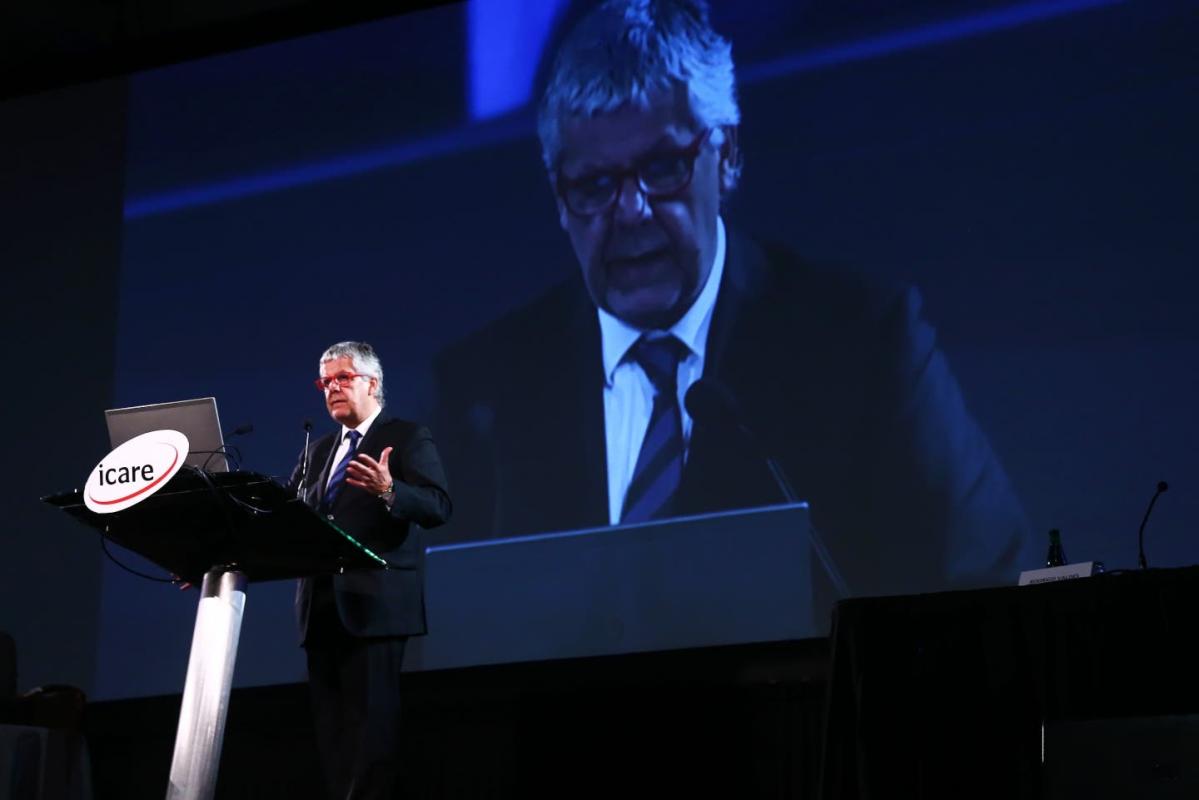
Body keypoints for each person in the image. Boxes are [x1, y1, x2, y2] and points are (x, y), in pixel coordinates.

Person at [433, 0, 1034, 597]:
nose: (632, 211)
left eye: (662, 168)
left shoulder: (864, 344)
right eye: (594, 184)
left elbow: (990, 585)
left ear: (727, 156)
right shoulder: (481, 391)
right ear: (560, 199)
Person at [291, 341, 451, 799]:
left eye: (342, 378)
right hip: (320, 609)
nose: (332, 388)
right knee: (334, 740)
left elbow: (438, 506)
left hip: (375, 608)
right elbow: (286, 518)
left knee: (371, 737)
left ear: (372, 382)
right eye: (325, 382)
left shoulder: (407, 436)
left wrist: (389, 491)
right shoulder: (318, 451)